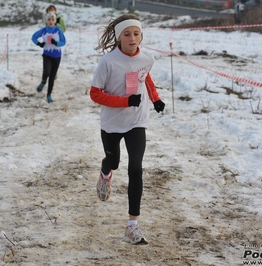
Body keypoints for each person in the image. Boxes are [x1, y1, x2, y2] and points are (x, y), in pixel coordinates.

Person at [90, 14, 165, 245]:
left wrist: (155, 99)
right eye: (127, 34)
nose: (133, 39)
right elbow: (95, 93)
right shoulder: (108, 62)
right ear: (118, 37)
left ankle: (132, 226)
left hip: (136, 121)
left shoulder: (146, 59)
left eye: (136, 33)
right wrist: (124, 101)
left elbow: (145, 78)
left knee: (136, 168)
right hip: (112, 123)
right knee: (114, 162)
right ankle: (105, 172)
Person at [31, 12, 66, 103]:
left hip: (57, 56)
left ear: (55, 21)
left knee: (52, 76)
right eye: (49, 19)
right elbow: (33, 37)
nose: (51, 21)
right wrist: (39, 43)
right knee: (46, 72)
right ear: (46, 21)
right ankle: (43, 82)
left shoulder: (58, 31)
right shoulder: (43, 30)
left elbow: (64, 42)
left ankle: (49, 95)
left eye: (53, 19)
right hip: (47, 55)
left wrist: (57, 43)